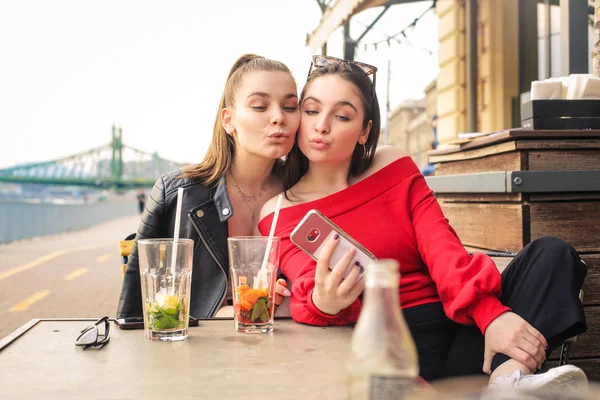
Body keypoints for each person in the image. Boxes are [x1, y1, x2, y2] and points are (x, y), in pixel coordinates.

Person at [258, 55, 588, 389]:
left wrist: (492, 318)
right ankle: (513, 383)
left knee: (553, 254)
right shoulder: (278, 212)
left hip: (461, 326)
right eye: (312, 110)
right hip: (386, 350)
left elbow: (443, 250)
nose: (322, 125)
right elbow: (307, 293)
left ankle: (506, 382)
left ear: (365, 131)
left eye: (342, 115)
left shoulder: (393, 164)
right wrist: (324, 304)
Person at [117, 54, 295, 320]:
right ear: (228, 120)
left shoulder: (305, 195)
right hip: (194, 357)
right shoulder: (176, 194)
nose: (278, 117)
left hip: (287, 354)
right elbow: (133, 315)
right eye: (259, 107)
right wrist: (220, 315)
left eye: (291, 107)